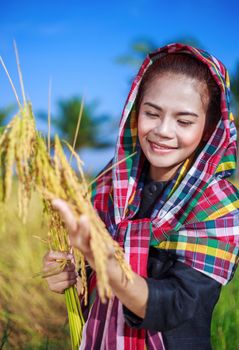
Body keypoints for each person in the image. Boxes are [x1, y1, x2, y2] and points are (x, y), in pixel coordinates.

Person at [43, 43, 239, 350]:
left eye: (184, 121)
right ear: (136, 112)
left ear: (209, 128)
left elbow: (180, 304)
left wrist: (113, 272)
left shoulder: (217, 206)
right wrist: (69, 273)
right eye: (152, 113)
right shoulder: (111, 182)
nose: (163, 130)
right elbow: (89, 272)